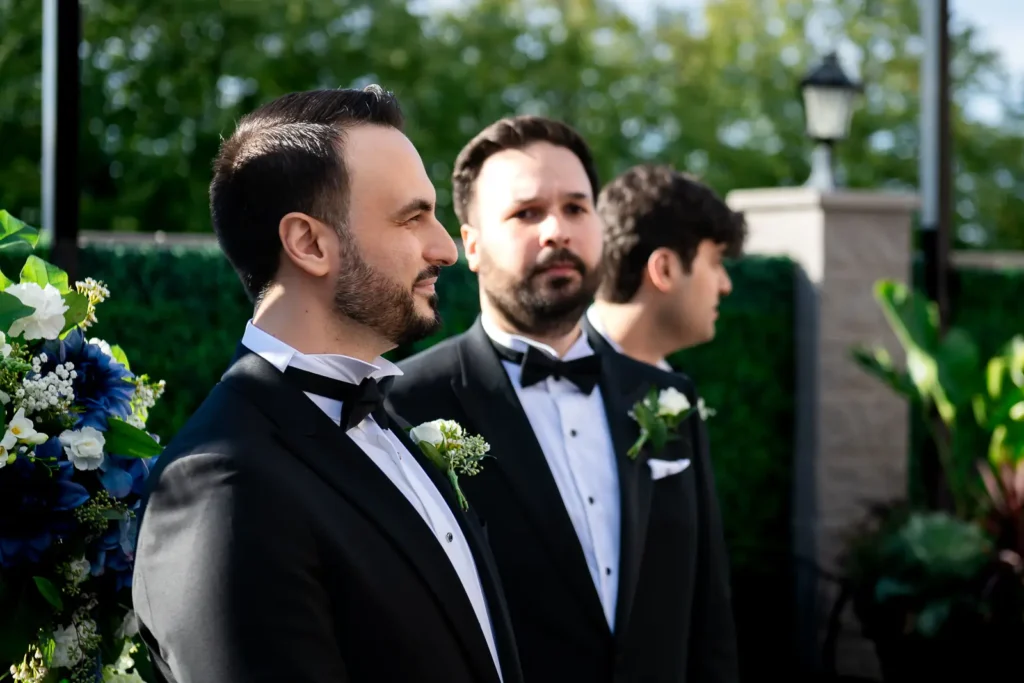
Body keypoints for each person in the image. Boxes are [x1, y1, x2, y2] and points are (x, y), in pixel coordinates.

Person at [132, 86, 523, 683]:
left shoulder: (389, 425)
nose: (445, 248)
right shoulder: (222, 480)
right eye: (412, 216)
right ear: (310, 243)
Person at [386, 115, 738, 683]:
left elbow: (708, 616)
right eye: (527, 213)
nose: (558, 230)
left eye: (577, 208)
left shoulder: (668, 398)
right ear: (470, 245)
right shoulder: (404, 407)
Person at [585, 164, 746, 369]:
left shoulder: (675, 387)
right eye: (715, 263)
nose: (726, 286)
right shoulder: (551, 378)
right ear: (664, 269)